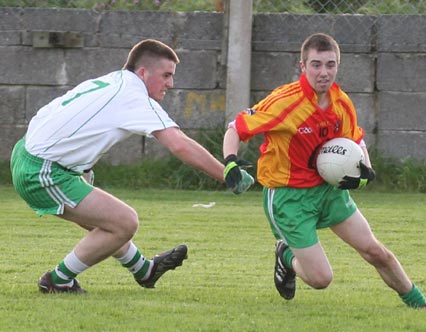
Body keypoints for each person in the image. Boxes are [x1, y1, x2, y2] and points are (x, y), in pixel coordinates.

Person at [10, 39, 253, 294]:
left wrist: (81, 167)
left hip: (30, 153)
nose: (171, 84)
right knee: (125, 222)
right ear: (143, 73)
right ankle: (57, 280)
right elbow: (179, 144)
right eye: (166, 75)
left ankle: (144, 270)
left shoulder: (114, 80)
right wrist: (227, 174)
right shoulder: (133, 95)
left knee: (108, 223)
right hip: (42, 170)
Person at [222, 33, 426, 309]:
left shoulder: (342, 104)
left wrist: (366, 170)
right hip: (289, 199)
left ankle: (420, 304)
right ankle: (286, 255)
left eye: (330, 64)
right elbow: (236, 127)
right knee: (321, 278)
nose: (323, 72)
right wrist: (230, 162)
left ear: (338, 65)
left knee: (375, 251)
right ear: (302, 66)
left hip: (329, 192)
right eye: (316, 64)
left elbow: (355, 141)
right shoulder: (285, 102)